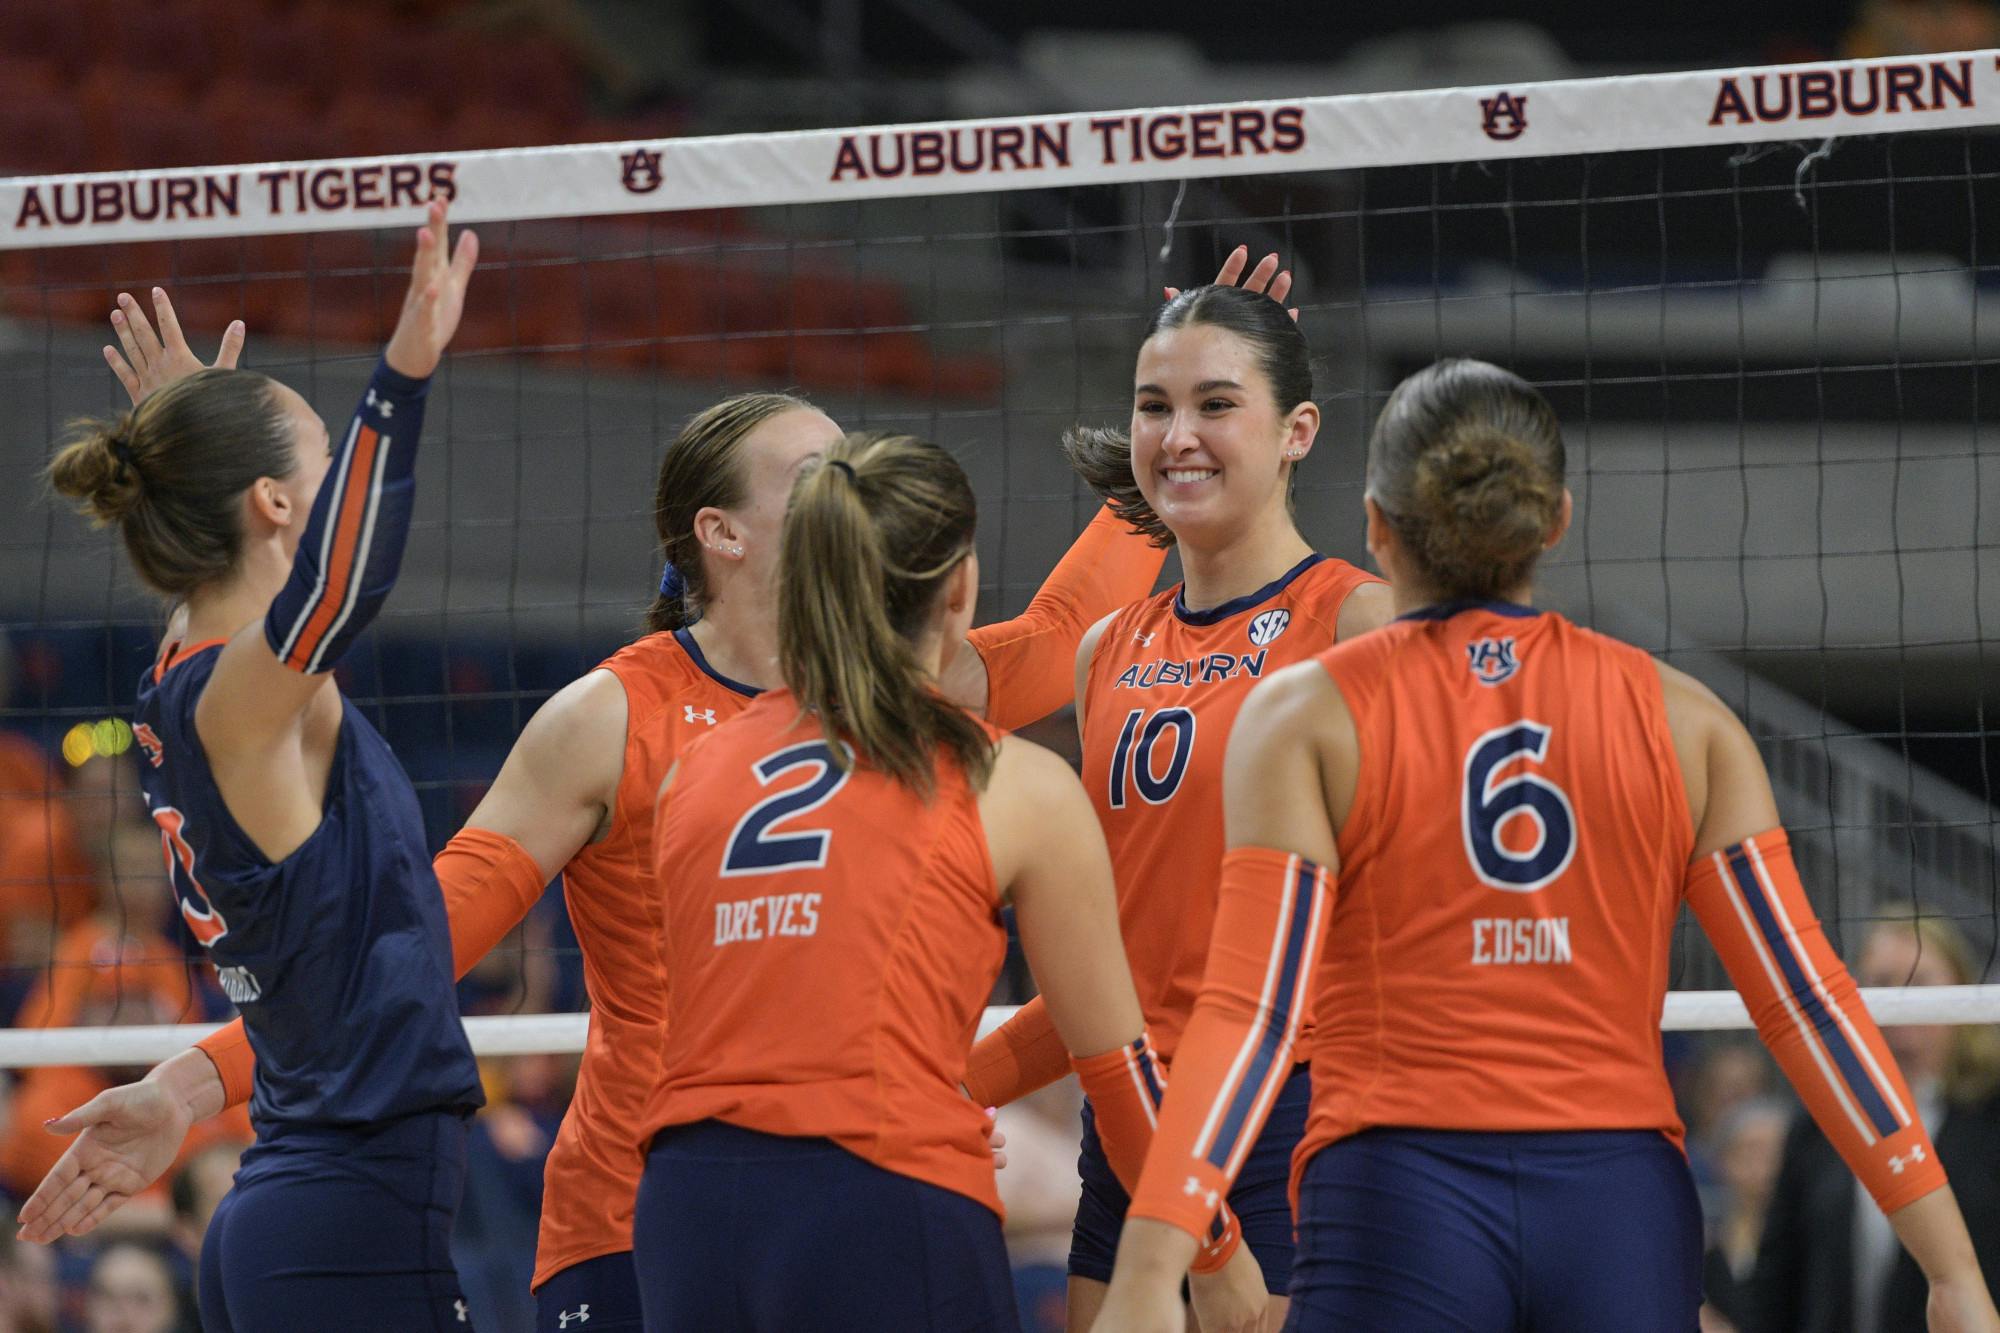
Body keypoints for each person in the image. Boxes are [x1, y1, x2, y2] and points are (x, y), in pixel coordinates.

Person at [21, 246, 1211, 1333]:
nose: (850, 486)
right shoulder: (612, 716)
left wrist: (1172, 417)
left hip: (848, 1174)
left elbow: (1060, 626)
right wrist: (198, 1074)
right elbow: (416, 934)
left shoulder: (906, 689)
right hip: (635, 1210)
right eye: (813, 472)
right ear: (722, 534)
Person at [1095, 357, 2000, 1331]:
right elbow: (1803, 1000)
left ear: (1375, 526)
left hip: (1401, 1192)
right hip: (1613, 1205)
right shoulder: (1683, 718)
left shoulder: (1305, 716)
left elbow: (1253, 1013)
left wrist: (1152, 1263)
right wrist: (1948, 1264)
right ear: (1554, 521)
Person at [632, 432, 1265, 1332]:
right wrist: (1212, 1245)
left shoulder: (688, 772)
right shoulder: (1011, 782)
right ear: (959, 589)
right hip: (880, 1194)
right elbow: (1118, 1070)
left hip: (686, 1208)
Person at [24, 200, 486, 1332]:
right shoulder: (237, 696)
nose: (339, 490)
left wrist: (195, 427)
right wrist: (402, 378)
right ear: (277, 507)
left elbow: (264, 574)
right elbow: (336, 586)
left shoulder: (195, 667)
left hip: (307, 1201)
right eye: (325, 469)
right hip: (346, 1210)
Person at [961, 254, 1393, 1328]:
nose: (1175, 434)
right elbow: (1118, 971)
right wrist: (955, 1080)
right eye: (1153, 406)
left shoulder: (1360, 624)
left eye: (1215, 404)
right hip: (1132, 1121)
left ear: (1297, 431)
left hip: (1287, 1108)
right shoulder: (1104, 648)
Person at [1749, 911, 2000, 1333]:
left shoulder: (1991, 1114)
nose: (1901, 1001)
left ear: (1960, 988)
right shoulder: (1820, 1120)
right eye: (1883, 983)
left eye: (1920, 982)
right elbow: (1779, 1273)